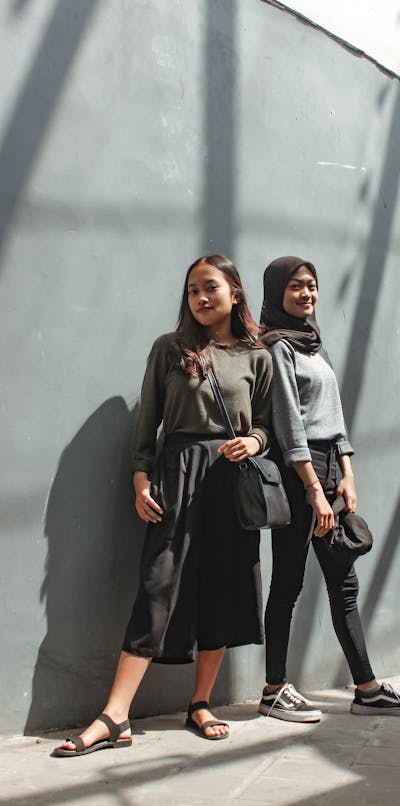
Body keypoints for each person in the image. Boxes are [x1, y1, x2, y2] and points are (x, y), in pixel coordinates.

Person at [52, 255, 272, 755]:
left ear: (234, 292)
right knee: (157, 586)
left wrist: (255, 443)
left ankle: (200, 703)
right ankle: (115, 714)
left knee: (219, 587)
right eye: (192, 290)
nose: (200, 297)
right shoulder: (170, 349)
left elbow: (268, 423)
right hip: (176, 475)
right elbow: (147, 422)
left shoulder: (257, 355)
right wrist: (140, 480)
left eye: (210, 287)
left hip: (229, 480)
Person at [257, 256, 400, 721]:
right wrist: (312, 488)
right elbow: (289, 424)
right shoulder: (277, 348)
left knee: (344, 584)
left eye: (312, 285)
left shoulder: (315, 347)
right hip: (300, 473)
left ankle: (367, 689)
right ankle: (273, 689)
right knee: (288, 584)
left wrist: (347, 472)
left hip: (330, 468)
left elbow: (335, 416)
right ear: (276, 292)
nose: (307, 294)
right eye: (296, 287)